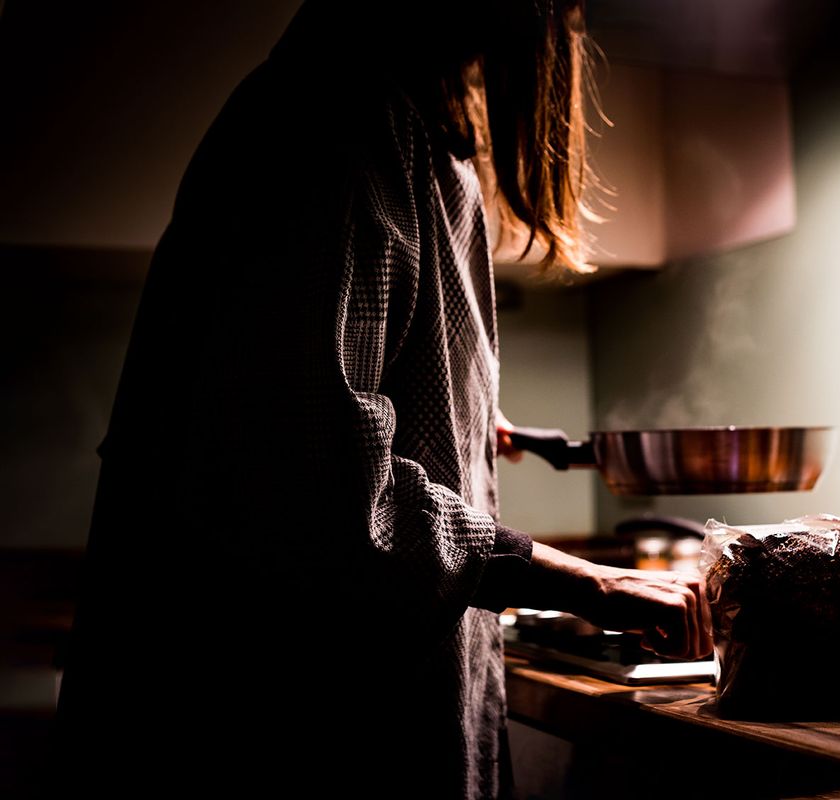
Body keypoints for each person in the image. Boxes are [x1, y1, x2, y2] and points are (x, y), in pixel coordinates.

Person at [47, 2, 711, 798]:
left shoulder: (397, 126)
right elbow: (321, 490)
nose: (565, 21)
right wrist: (590, 582)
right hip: (275, 738)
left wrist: (461, 421)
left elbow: (307, 393)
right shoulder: (334, 122)